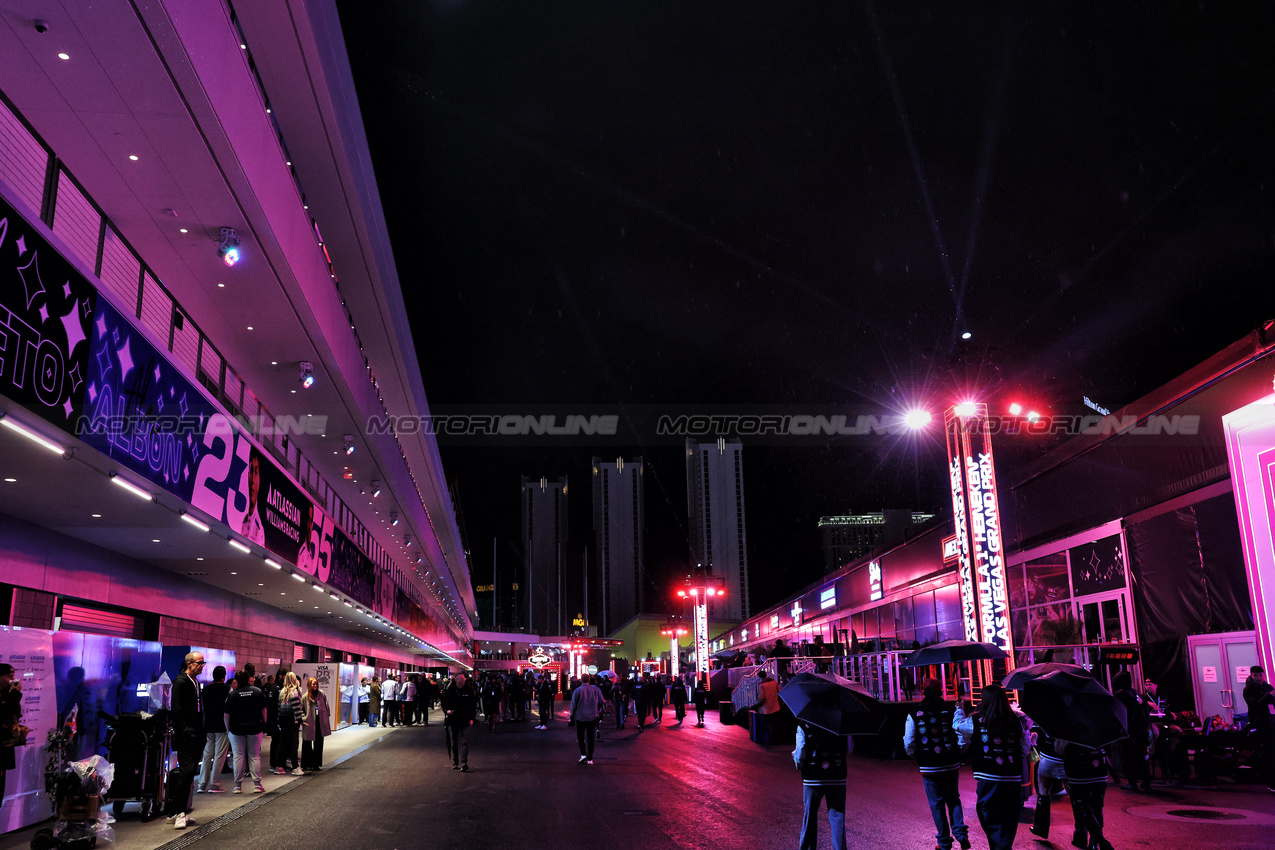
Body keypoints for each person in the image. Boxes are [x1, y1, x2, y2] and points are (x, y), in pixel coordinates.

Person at [954, 684, 1031, 850]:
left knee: (987, 812)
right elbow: (1025, 748)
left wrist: (959, 709)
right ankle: (1004, 845)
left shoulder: (976, 720)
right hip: (1012, 777)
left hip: (988, 776)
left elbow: (958, 726)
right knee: (1009, 815)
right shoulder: (1016, 722)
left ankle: (999, 846)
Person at [903, 677, 970, 850]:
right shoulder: (950, 711)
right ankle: (961, 834)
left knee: (937, 803)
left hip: (929, 766)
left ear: (924, 690)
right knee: (953, 798)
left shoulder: (914, 714)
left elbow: (909, 742)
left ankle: (944, 843)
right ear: (940, 691)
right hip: (951, 763)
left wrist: (917, 757)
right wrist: (958, 753)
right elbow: (960, 736)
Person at [792, 721, 848, 850]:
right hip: (837, 774)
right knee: (838, 817)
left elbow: (801, 752)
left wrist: (797, 763)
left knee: (810, 816)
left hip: (813, 776)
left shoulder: (804, 722)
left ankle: (808, 847)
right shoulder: (842, 722)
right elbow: (850, 747)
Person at [165, 652, 205, 830]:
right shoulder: (180, 682)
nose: (202, 666)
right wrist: (185, 731)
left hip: (196, 732)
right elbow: (177, 709)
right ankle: (178, 812)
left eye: (203, 663)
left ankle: (176, 811)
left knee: (189, 773)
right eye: (199, 663)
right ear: (189, 664)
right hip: (187, 735)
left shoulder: (195, 682)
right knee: (187, 771)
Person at [1059, 740, 1114, 850]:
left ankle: (1100, 840)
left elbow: (1059, 749)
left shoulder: (1068, 727)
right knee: (1097, 807)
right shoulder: (1098, 725)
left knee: (1083, 807)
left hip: (1078, 767)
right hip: (1098, 765)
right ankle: (1094, 842)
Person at [224, 669, 266, 794]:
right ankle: (257, 785)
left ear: (236, 680)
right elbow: (264, 711)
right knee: (254, 756)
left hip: (236, 729)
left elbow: (226, 715)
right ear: (249, 679)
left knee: (238, 756)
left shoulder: (232, 695)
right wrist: (264, 724)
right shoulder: (258, 692)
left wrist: (228, 730)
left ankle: (237, 786)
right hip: (255, 728)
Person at [1028, 725, 1070, 842]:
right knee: (1076, 797)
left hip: (1048, 758)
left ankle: (1040, 828)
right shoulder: (1071, 716)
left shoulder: (1047, 715)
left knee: (1043, 792)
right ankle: (1082, 833)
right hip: (1067, 761)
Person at [1112, 670, 1151, 791]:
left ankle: (1132, 782)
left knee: (1129, 757)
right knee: (1141, 757)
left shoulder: (1119, 696)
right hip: (1141, 731)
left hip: (1128, 731)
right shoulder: (1136, 694)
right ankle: (1145, 782)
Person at [196, 665, 230, 793]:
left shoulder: (206, 690)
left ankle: (202, 784)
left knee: (207, 754)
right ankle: (215, 783)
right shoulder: (227, 690)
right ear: (224, 676)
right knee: (219, 755)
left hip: (209, 725)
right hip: (222, 725)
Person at [1242, 665, 1275, 792]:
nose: (1258, 678)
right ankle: (1271, 783)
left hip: (1271, 722)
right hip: (1260, 723)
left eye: (1260, 675)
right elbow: (1255, 704)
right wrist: (1269, 696)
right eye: (1255, 675)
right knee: (1270, 752)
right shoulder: (1248, 690)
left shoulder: (1267, 687)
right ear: (1251, 675)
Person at [442, 672, 478, 771]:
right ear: (456, 680)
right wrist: (447, 711)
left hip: (465, 719)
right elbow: (444, 703)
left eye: (463, 679)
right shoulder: (450, 690)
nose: (462, 681)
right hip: (453, 719)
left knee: (464, 741)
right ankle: (455, 761)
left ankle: (464, 762)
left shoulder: (468, 690)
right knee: (454, 742)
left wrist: (472, 718)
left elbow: (473, 705)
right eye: (460, 679)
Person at [0, 665, 25, 804]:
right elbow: (3, 715)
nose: (12, 680)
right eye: (9, 677)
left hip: (4, 750)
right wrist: (14, 695)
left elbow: (13, 716)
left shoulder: (7, 694)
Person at [570, 673, 606, 764]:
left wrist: (572, 715)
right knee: (591, 738)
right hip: (592, 716)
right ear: (589, 680)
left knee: (580, 737)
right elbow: (602, 701)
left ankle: (583, 754)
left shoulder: (577, 690)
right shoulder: (595, 690)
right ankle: (590, 758)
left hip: (580, 716)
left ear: (581, 680)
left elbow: (573, 705)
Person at [300, 676, 331, 772]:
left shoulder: (321, 694)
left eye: (316, 684)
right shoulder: (305, 696)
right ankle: (306, 764)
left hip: (319, 722)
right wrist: (303, 718)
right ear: (309, 685)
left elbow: (326, 706)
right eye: (313, 684)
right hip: (309, 722)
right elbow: (301, 709)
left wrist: (326, 716)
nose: (315, 685)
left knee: (318, 743)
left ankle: (316, 764)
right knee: (307, 743)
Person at [276, 672, 303, 775]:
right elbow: (297, 708)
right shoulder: (295, 692)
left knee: (282, 743)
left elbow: (279, 708)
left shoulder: (282, 692)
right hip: (292, 721)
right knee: (294, 744)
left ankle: (279, 766)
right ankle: (295, 767)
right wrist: (301, 720)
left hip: (283, 720)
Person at [241, 448, 266, 545]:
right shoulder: (243, 520)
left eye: (255, 472)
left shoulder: (259, 529)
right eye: (251, 471)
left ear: (259, 481)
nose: (252, 481)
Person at [750, 669, 781, 743]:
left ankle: (770, 739)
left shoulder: (761, 685)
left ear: (760, 677)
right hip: (776, 706)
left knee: (767, 724)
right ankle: (776, 739)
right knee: (775, 723)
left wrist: (757, 704)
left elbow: (762, 697)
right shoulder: (774, 682)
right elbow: (779, 691)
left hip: (766, 708)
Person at [262, 671, 281, 775]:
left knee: (278, 741)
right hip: (274, 720)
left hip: (275, 719)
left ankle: (278, 763)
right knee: (275, 742)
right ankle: (274, 764)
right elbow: (268, 706)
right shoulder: (273, 688)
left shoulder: (277, 688)